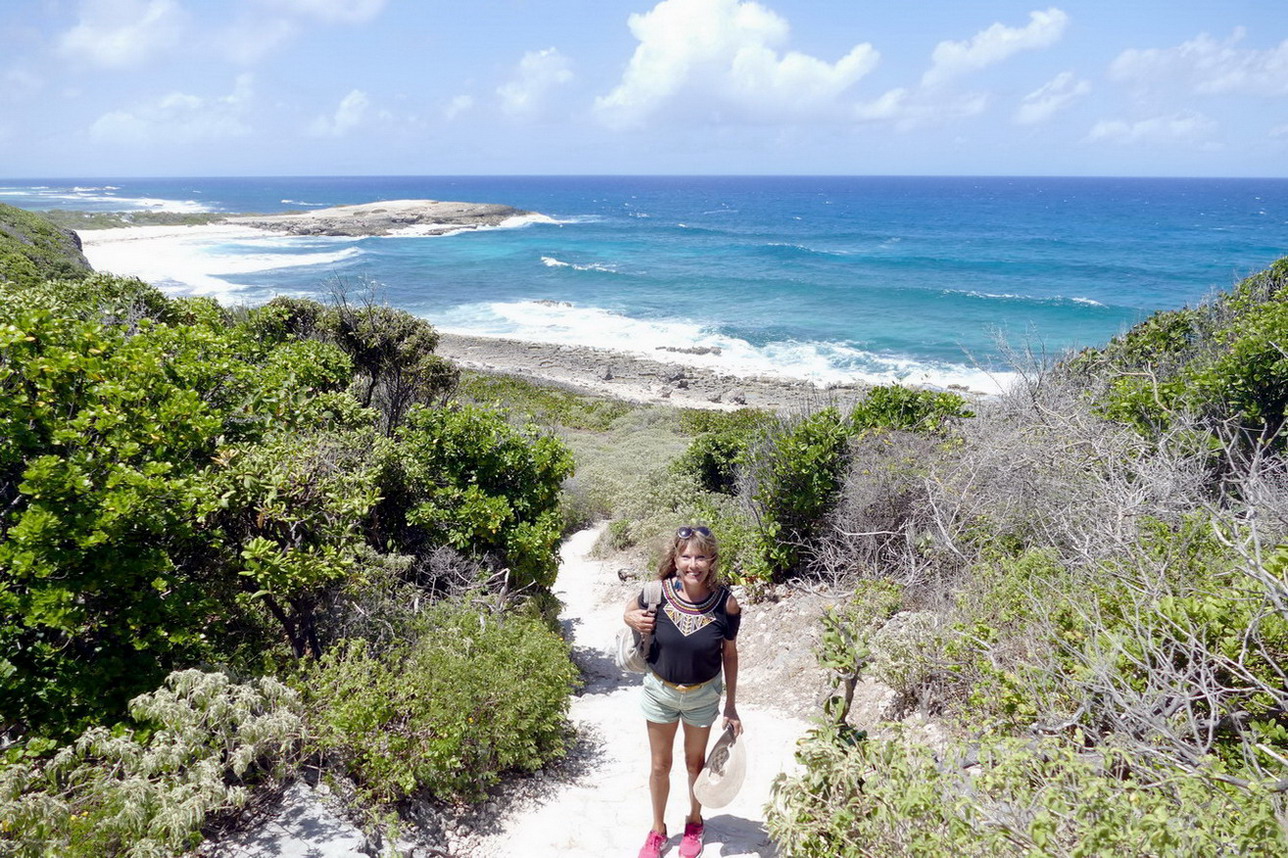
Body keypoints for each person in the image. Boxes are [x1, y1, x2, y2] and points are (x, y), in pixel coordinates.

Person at [622, 525, 743, 858]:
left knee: (696, 766)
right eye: (686, 556)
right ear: (675, 560)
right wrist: (633, 619)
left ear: (712, 560)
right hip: (659, 693)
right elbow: (627, 611)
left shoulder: (726, 604)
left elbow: (729, 654)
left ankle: (694, 821)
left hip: (703, 696)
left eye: (701, 556)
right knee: (660, 766)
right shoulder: (656, 592)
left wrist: (731, 706)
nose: (694, 564)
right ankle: (657, 830)